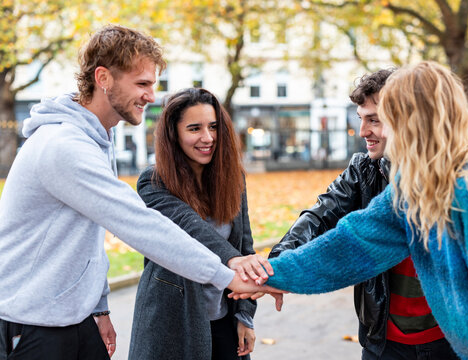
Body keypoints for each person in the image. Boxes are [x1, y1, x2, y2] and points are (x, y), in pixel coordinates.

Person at [0, 25, 273, 360]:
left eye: (152, 85)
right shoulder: (63, 146)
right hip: (32, 324)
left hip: (74, 319)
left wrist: (98, 307)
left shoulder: (96, 138)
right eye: (142, 84)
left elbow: (89, 237)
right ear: (104, 78)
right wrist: (228, 276)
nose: (151, 95)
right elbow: (138, 224)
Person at [234, 61, 468, 359]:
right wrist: (272, 273)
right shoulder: (417, 185)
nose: (370, 130)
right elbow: (354, 245)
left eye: (384, 118)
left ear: (414, 120)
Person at [269, 69, 458, 359]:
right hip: (383, 342)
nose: (363, 132)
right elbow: (319, 217)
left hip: (449, 340)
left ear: (405, 118)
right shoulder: (364, 169)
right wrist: (276, 264)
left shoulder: (457, 177)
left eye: (374, 119)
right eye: (361, 119)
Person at [129, 88, 260, 360]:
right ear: (174, 134)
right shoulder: (153, 182)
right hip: (171, 324)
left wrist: (245, 316)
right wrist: (232, 260)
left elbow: (245, 246)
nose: (207, 137)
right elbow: (190, 230)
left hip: (225, 318)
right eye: (194, 128)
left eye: (213, 127)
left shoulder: (233, 179)